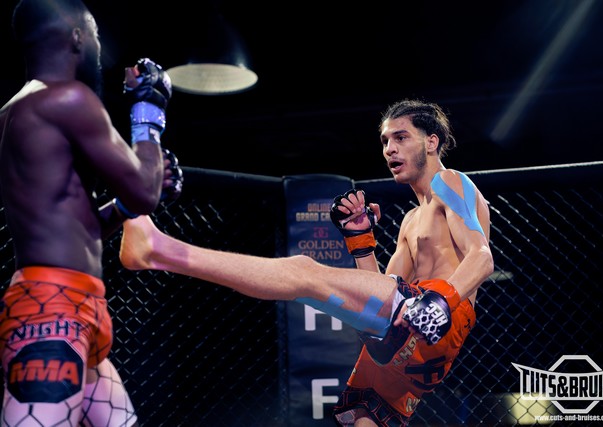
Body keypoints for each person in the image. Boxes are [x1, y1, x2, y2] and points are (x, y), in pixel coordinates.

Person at [118, 99, 493, 426]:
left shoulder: (450, 182)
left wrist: (441, 301)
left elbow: (481, 257)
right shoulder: (411, 221)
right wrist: (360, 242)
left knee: (303, 273)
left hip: (444, 316)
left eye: (401, 137)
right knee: (365, 416)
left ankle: (160, 250)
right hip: (416, 339)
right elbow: (378, 304)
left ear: (432, 141)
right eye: (384, 141)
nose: (389, 149)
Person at [0, 0, 181, 426]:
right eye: (96, 35)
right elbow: (145, 192)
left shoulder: (16, 111)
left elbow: (79, 226)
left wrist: (123, 205)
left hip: (71, 303)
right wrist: (149, 108)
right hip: (50, 313)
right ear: (78, 37)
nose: (100, 48)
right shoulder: (69, 99)